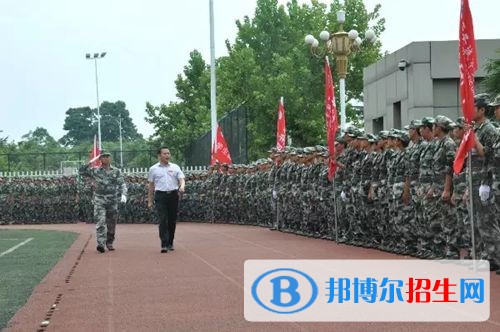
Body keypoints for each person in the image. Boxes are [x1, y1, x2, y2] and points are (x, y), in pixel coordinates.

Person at [79, 151, 127, 253]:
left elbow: (122, 183)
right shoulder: (96, 171)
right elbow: (81, 171)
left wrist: (124, 194)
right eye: (103, 157)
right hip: (99, 199)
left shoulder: (116, 171)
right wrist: (91, 161)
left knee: (111, 223)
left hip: (112, 200)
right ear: (100, 159)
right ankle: (100, 243)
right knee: (100, 221)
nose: (106, 158)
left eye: (107, 157)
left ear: (110, 158)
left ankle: (109, 242)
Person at [148, 147, 185, 253]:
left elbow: (181, 179)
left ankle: (170, 242)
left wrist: (182, 186)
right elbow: (151, 186)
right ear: (159, 155)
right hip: (160, 196)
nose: (167, 155)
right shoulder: (153, 169)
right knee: (162, 219)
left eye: (168, 153)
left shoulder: (175, 167)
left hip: (173, 195)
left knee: (172, 220)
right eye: (165, 153)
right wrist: (150, 200)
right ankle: (164, 244)